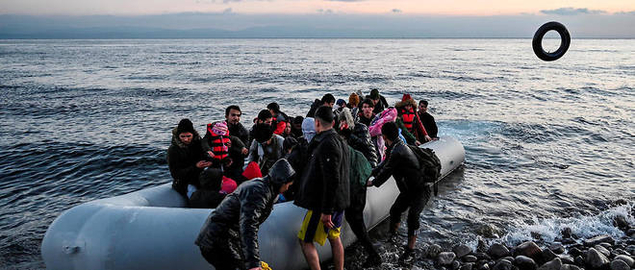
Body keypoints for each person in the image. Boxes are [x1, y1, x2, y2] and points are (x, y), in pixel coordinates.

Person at [195, 159, 296, 270]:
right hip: (218, 239)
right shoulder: (259, 192)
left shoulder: (265, 188)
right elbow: (248, 225)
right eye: (288, 185)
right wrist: (253, 263)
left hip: (223, 238)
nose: (287, 188)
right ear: (281, 182)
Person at [294, 106, 350, 270]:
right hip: (339, 203)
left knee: (305, 240)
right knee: (335, 238)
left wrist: (326, 211)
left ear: (317, 123)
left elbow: (332, 178)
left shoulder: (326, 143)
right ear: (333, 122)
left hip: (323, 206)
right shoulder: (341, 141)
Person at [367, 122, 431, 262]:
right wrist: (368, 173)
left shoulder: (398, 150)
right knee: (395, 210)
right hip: (408, 190)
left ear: (384, 136)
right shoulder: (395, 146)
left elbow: (386, 171)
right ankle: (392, 236)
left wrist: (372, 182)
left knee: (413, 216)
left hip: (421, 189)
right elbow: (382, 166)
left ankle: (410, 250)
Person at [336, 108, 382, 267]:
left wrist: (349, 134)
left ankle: (373, 254)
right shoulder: (342, 133)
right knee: (354, 217)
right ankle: (370, 250)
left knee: (355, 217)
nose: (342, 124)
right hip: (355, 174)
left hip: (362, 172)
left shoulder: (360, 129)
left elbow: (366, 147)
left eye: (344, 121)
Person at [167, 118, 210, 201]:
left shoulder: (199, 143)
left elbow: (206, 155)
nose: (186, 139)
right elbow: (176, 174)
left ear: (193, 135)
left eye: (188, 136)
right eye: (182, 136)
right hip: (184, 181)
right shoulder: (173, 150)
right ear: (178, 136)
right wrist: (195, 167)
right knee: (195, 196)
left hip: (201, 177)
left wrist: (209, 162)